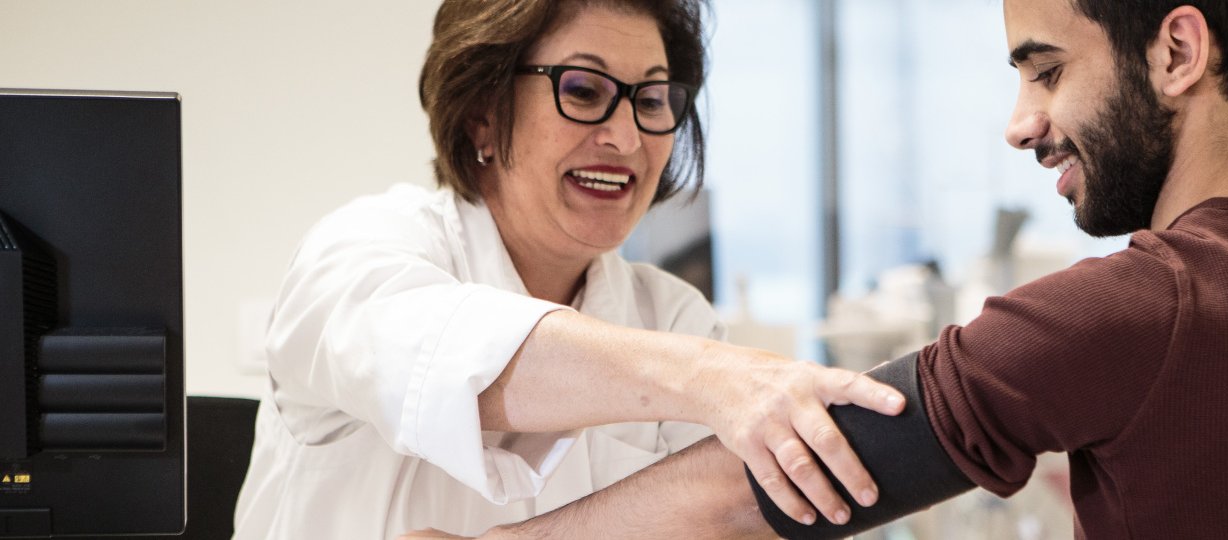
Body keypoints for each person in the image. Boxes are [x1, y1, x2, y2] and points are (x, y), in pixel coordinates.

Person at [405, 0, 1228, 538]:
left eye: (1046, 70)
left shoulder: (1152, 304)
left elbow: (776, 475)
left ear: (1177, 52)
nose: (1021, 124)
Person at [230, 1, 906, 538]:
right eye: (583, 91)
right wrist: (714, 379)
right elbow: (456, 361)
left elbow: (731, 510)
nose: (626, 137)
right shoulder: (360, 251)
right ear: (481, 118)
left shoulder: (668, 315)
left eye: (651, 100)